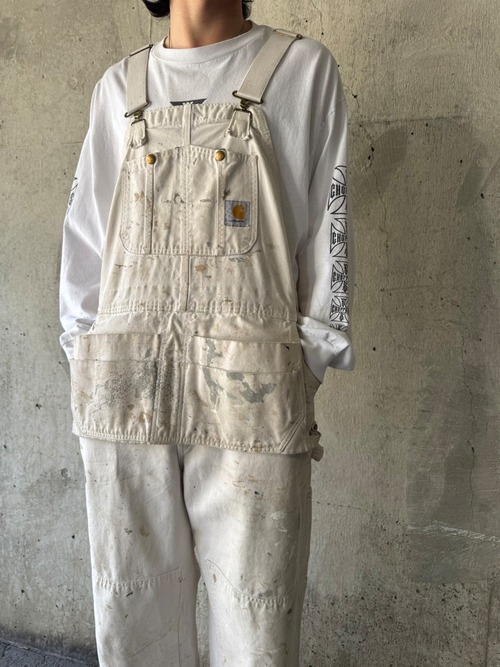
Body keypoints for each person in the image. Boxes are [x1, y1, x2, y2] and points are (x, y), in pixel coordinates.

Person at [59, 0, 354, 664]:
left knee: (257, 629)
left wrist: (303, 364)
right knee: (132, 623)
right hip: (123, 393)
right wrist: (87, 356)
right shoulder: (119, 88)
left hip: (253, 396)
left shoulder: (303, 70)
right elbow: (84, 247)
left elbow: (328, 239)